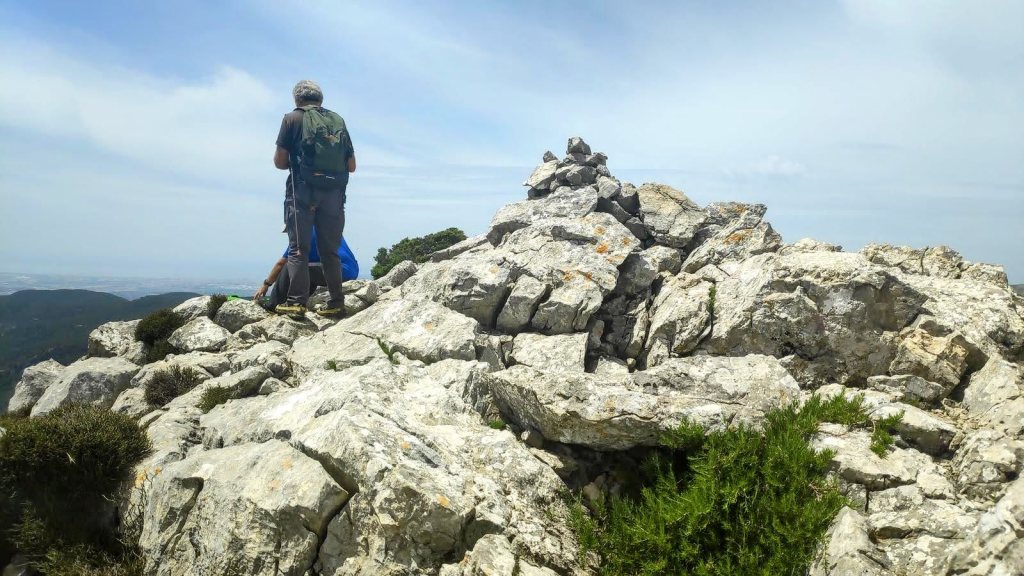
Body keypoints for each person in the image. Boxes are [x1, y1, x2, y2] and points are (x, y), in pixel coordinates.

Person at [272, 80, 356, 317]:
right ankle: (337, 302)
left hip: (302, 192)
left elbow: (279, 162)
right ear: (321, 99)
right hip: (335, 195)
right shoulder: (337, 121)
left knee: (299, 248)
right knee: (330, 250)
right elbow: (351, 165)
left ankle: (296, 302)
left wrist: (301, 165)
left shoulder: (291, 119)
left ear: (297, 99)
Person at [254, 231, 359, 307]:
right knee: (307, 269)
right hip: (350, 270)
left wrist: (266, 285)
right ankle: (299, 301)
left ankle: (273, 305)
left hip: (340, 271)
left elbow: (281, 264)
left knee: (289, 266)